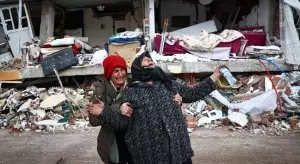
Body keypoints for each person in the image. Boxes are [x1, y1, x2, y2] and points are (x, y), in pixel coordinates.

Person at [88, 51, 221, 164]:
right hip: (150, 154)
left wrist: (215, 77)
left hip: (178, 149)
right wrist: (104, 112)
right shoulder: (132, 92)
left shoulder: (171, 85)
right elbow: (123, 122)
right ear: (138, 68)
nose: (150, 62)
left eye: (151, 60)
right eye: (146, 61)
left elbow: (193, 93)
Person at [88, 55, 133, 164]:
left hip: (132, 138)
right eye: (116, 71)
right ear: (109, 74)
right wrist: (118, 108)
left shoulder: (133, 87)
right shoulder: (99, 90)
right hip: (112, 139)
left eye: (122, 70)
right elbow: (93, 121)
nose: (120, 74)